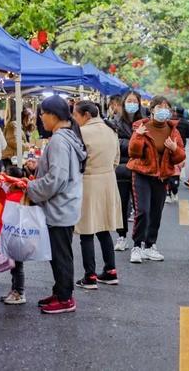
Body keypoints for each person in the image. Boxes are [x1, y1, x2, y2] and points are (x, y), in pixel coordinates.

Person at [26, 95, 87, 314]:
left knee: (60, 254)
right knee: (59, 252)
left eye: (42, 113)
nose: (41, 118)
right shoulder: (67, 137)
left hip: (59, 208)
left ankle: (65, 298)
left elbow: (56, 179)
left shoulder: (59, 140)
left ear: (53, 115)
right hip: (65, 206)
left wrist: (31, 188)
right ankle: (60, 290)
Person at [127, 95, 186, 264]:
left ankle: (150, 245)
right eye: (159, 107)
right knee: (143, 211)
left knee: (156, 212)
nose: (163, 111)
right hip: (142, 174)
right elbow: (134, 153)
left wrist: (174, 149)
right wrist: (138, 137)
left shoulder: (172, 130)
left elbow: (180, 156)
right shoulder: (141, 127)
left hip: (162, 177)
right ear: (152, 110)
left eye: (166, 108)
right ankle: (137, 246)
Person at [72, 101, 122, 289]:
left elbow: (76, 161)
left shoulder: (82, 133)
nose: (75, 120)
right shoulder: (111, 130)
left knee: (86, 230)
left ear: (85, 115)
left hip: (88, 182)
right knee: (104, 228)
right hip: (109, 181)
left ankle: (90, 276)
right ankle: (111, 270)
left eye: (76, 116)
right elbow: (116, 159)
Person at [113, 92, 143, 251]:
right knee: (122, 204)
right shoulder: (116, 122)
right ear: (124, 103)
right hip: (122, 168)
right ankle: (121, 236)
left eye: (135, 101)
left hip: (141, 168)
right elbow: (114, 143)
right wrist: (134, 141)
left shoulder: (145, 121)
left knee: (141, 207)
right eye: (129, 101)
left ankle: (140, 240)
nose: (132, 104)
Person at [0, 166, 30, 305]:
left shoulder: (15, 197)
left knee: (17, 266)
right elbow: (0, 199)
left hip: (15, 236)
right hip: (15, 236)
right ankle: (15, 290)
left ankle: (19, 292)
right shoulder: (16, 194)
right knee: (15, 266)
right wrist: (0, 189)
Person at [2, 102, 31, 168]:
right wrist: (27, 146)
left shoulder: (19, 126)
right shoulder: (14, 125)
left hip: (13, 158)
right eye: (30, 119)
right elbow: (14, 142)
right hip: (9, 159)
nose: (30, 121)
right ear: (25, 118)